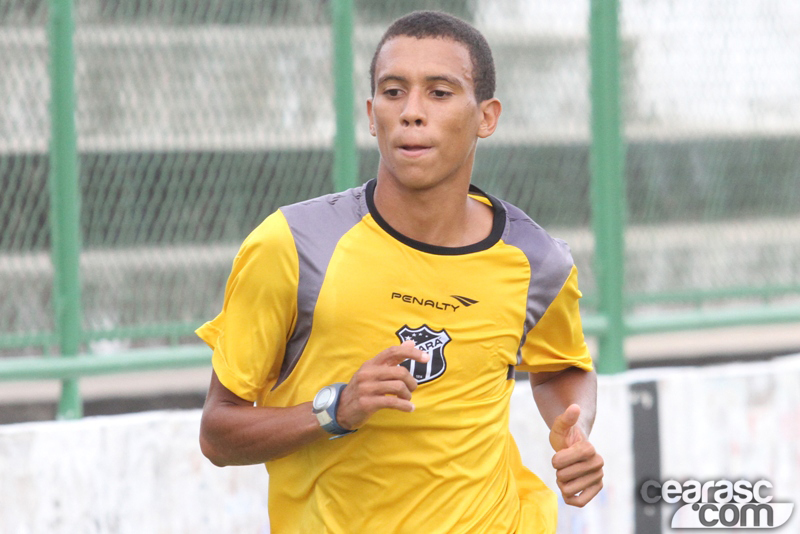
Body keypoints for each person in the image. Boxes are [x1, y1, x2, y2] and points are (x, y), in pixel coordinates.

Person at [198, 10, 604, 533]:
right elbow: (218, 434)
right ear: (371, 114)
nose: (412, 112)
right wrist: (336, 409)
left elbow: (561, 367)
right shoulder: (294, 246)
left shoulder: (536, 260)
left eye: (439, 92)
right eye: (393, 92)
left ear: (487, 116)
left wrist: (576, 431)